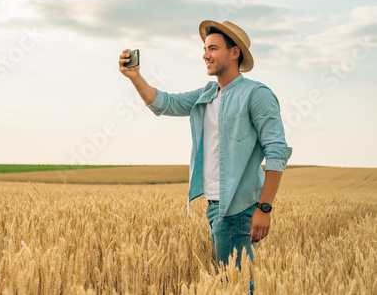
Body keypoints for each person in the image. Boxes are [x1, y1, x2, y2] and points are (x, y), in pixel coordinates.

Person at [118, 20, 292, 294]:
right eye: (204, 48)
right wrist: (135, 76)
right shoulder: (207, 94)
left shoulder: (256, 94)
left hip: (238, 207)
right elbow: (163, 103)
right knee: (233, 284)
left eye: (212, 48)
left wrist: (265, 208)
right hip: (214, 208)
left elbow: (277, 151)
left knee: (233, 286)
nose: (205, 55)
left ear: (234, 53)